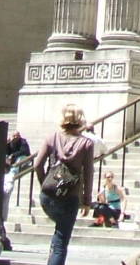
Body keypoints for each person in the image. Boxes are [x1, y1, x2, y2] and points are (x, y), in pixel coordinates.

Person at [33, 104, 96, 265]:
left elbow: (37, 165)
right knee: (61, 240)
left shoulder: (51, 138)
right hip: (70, 197)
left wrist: (45, 184)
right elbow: (89, 174)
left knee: (58, 234)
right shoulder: (87, 144)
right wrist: (87, 201)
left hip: (48, 196)